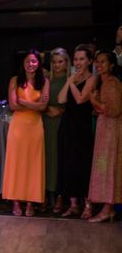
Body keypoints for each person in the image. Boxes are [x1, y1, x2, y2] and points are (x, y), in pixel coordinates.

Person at [2, 50, 49, 217]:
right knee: (16, 163)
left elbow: (43, 107)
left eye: (34, 61)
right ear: (23, 63)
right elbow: (13, 106)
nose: (31, 64)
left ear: (39, 64)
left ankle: (30, 202)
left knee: (33, 163)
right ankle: (16, 201)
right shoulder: (15, 80)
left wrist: (22, 101)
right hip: (18, 126)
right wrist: (33, 104)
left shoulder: (44, 81)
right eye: (28, 61)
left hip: (35, 126)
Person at [56, 45, 96, 218]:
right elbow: (61, 99)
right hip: (68, 124)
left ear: (89, 61)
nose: (79, 62)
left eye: (82, 59)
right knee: (69, 163)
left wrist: (72, 82)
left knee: (83, 163)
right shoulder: (71, 78)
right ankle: (73, 204)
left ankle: (87, 204)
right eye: (77, 59)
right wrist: (70, 80)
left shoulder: (92, 78)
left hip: (82, 125)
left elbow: (81, 100)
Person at [87, 51, 122, 222]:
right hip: (105, 130)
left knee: (107, 166)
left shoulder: (112, 83)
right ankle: (107, 208)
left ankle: (107, 208)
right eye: (97, 62)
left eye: (103, 62)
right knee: (103, 165)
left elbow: (114, 110)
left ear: (112, 65)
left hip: (111, 132)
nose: (99, 65)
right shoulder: (104, 82)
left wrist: (93, 100)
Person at [42, 48, 70, 213]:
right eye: (54, 62)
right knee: (47, 157)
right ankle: (45, 194)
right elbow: (39, 103)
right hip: (46, 123)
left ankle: (59, 196)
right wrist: (47, 110)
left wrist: (61, 110)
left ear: (67, 63)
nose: (57, 65)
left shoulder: (70, 80)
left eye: (60, 62)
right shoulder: (47, 80)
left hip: (63, 124)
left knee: (60, 158)